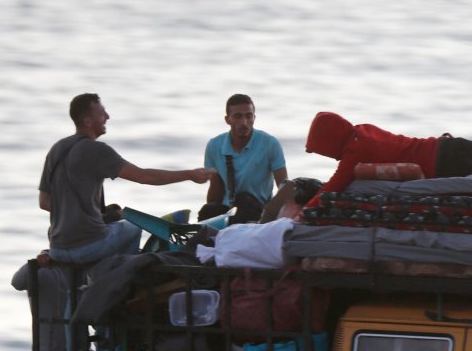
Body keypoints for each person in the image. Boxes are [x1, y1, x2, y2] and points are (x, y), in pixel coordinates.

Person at [39, 93, 214, 265]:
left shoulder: (57, 149)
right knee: (133, 226)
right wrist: (189, 175)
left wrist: (82, 213)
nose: (108, 117)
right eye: (102, 114)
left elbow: (44, 202)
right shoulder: (97, 150)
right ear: (87, 122)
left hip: (58, 249)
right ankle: (122, 275)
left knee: (115, 222)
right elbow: (144, 176)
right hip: (86, 248)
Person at [302, 111, 472, 205]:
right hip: (453, 146)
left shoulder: (354, 151)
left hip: (445, 164)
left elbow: (333, 188)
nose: (326, 154)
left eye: (321, 149)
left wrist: (302, 214)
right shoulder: (364, 130)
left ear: (329, 140)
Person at [201, 93, 288, 223]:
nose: (244, 123)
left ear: (254, 117)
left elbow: (284, 188)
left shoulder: (270, 143)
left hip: (259, 210)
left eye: (249, 116)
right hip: (229, 210)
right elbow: (215, 189)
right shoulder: (214, 145)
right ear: (227, 119)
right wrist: (210, 217)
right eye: (238, 117)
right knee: (207, 210)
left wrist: (274, 218)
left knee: (243, 200)